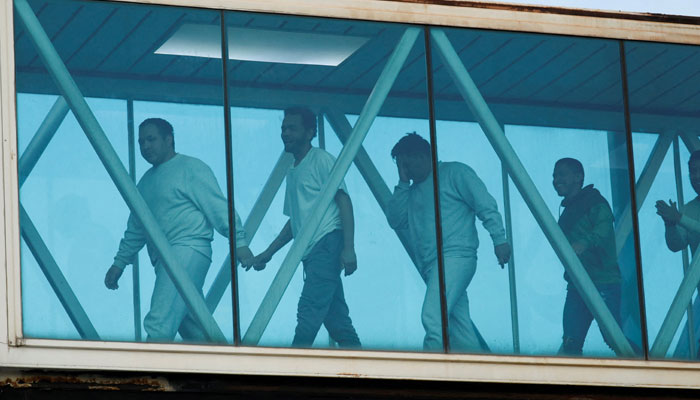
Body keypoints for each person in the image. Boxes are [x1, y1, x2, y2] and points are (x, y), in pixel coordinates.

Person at [104, 118, 253, 342]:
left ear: (169, 139)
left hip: (188, 248)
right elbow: (136, 227)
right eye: (141, 142)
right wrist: (119, 263)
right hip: (164, 260)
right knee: (194, 327)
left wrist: (239, 242)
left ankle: (147, 364)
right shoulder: (145, 182)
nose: (145, 146)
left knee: (160, 320)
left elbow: (218, 208)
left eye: (151, 139)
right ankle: (220, 362)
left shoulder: (191, 168)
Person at [386, 133, 510, 352]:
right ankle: (474, 366)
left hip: (456, 256)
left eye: (406, 164)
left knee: (432, 315)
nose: (405, 169)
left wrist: (499, 239)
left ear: (422, 156)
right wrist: (403, 183)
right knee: (458, 326)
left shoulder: (454, 172)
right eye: (401, 165)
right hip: (433, 265)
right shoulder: (410, 192)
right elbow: (395, 220)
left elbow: (484, 204)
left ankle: (431, 368)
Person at [251, 107, 361, 348]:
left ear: (310, 132)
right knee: (338, 322)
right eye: (283, 128)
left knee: (309, 311)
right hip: (311, 253)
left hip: (326, 243)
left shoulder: (320, 159)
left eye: (292, 128)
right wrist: (268, 253)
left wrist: (349, 248)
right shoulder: (293, 171)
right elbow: (295, 222)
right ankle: (362, 364)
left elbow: (344, 200)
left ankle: (294, 364)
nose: (285, 133)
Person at [553, 157, 623, 355]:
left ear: (578, 177)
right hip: (577, 285)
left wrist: (584, 243)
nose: (556, 180)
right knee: (571, 342)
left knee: (614, 339)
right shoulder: (568, 212)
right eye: (554, 176)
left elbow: (603, 229)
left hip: (603, 282)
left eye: (561, 175)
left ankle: (646, 365)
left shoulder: (595, 203)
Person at [656, 149, 700, 359]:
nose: (696, 177)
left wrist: (679, 219)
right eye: (692, 171)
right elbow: (676, 245)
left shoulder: (685, 213)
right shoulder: (689, 209)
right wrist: (670, 224)